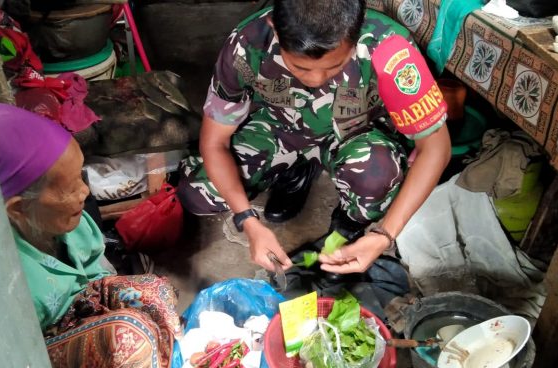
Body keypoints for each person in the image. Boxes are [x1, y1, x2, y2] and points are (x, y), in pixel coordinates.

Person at [178, 0, 451, 275]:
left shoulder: (390, 49)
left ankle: (348, 224)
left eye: (335, 66)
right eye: (301, 67)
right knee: (197, 192)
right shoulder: (245, 45)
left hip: (354, 133)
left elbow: (436, 148)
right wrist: (247, 220)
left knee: (376, 176)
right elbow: (215, 142)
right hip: (278, 130)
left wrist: (383, 235)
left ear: (357, 30)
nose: (317, 79)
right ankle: (296, 171)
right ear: (274, 27)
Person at [0, 103, 181, 368]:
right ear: (17, 208)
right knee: (127, 336)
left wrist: (139, 311)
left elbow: (99, 276)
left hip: (76, 320)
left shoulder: (69, 224)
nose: (84, 193)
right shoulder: (4, 281)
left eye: (80, 177)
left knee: (155, 292)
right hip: (36, 362)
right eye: (70, 186)